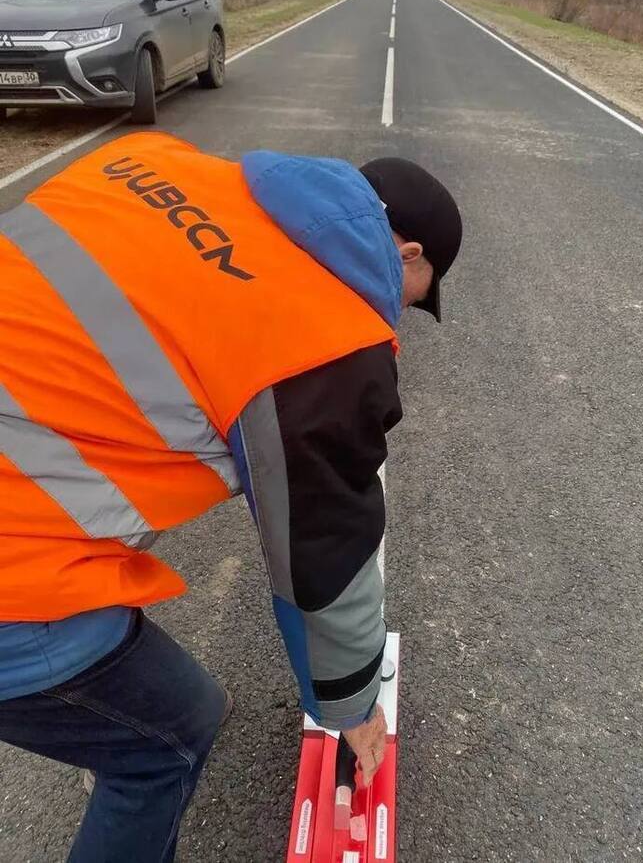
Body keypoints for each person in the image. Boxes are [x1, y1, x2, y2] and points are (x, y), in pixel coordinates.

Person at [0, 132, 462, 863]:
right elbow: (320, 559)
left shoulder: (153, 160)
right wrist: (350, 709)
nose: (405, 310)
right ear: (407, 256)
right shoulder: (323, 343)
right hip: (11, 566)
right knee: (168, 738)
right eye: (420, 292)